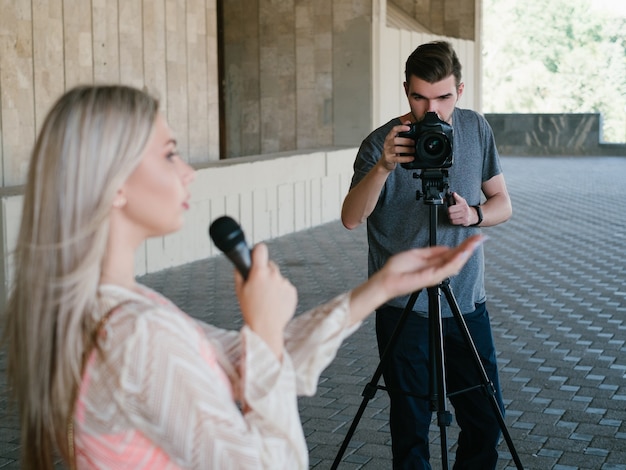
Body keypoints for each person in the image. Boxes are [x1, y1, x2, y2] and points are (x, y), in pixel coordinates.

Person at [2, 84, 483, 470]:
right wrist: (265, 330)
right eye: (169, 154)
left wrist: (379, 287)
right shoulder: (138, 332)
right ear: (114, 185)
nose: (188, 171)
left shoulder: (113, 311)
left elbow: (256, 370)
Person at [341, 41, 513, 469]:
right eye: (419, 97)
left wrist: (473, 213)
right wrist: (382, 167)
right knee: (411, 424)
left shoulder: (476, 129)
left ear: (461, 90)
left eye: (443, 97)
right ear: (405, 91)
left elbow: (502, 203)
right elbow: (350, 218)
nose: (430, 109)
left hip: (465, 297)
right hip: (403, 306)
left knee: (485, 417)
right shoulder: (381, 143)